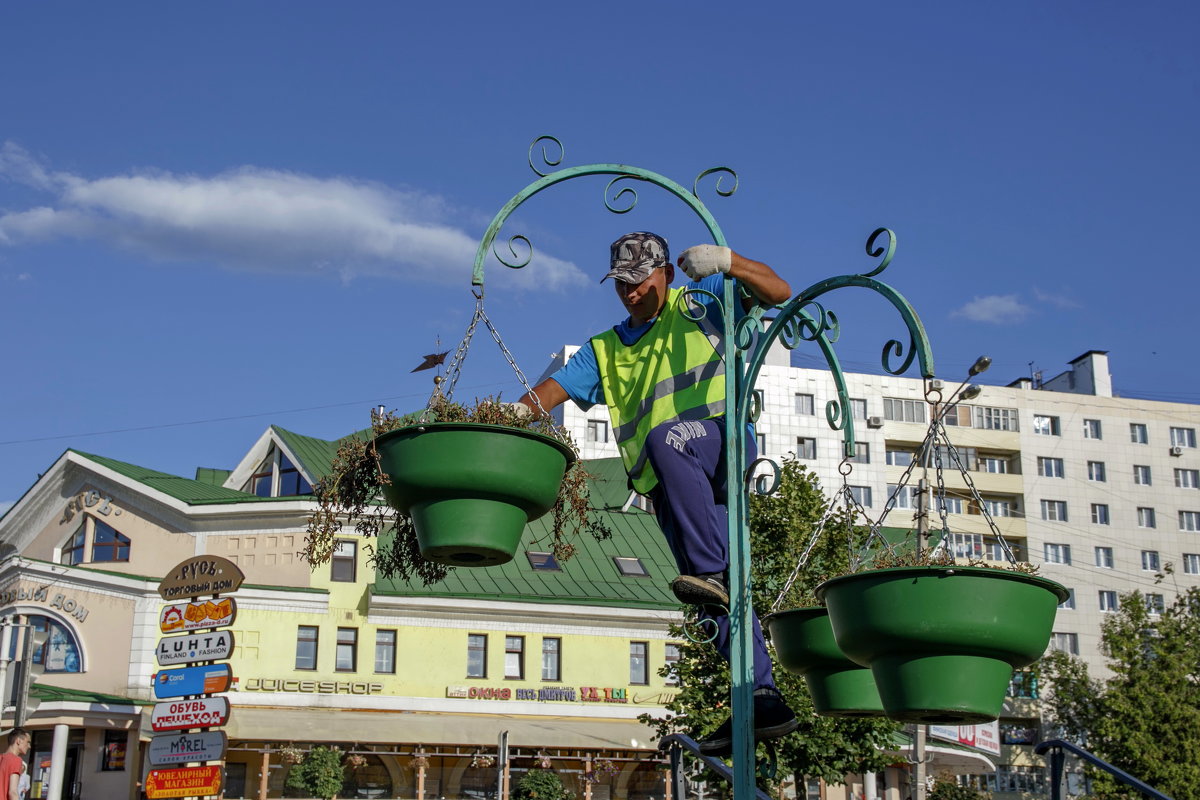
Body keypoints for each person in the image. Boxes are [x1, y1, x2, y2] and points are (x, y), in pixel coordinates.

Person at [517, 232, 797, 756]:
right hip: (671, 488)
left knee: (668, 445)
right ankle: (759, 698)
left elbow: (779, 291)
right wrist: (507, 417)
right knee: (714, 596)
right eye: (622, 284)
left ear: (665, 272)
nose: (631, 293)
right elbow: (549, 392)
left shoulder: (701, 301)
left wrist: (730, 262)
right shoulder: (605, 348)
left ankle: (712, 575)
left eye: (640, 282)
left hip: (720, 445)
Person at [0, 728, 30, 800]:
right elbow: (13, 792)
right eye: (28, 742)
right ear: (19, 741)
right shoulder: (15, 760)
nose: (29, 746)